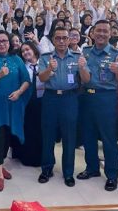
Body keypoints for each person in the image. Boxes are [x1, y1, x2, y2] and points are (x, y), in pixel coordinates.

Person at [77, 20, 118, 191]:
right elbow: (85, 79)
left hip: (106, 99)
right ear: (92, 33)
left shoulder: (117, 54)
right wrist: (82, 68)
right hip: (87, 97)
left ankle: (112, 175)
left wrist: (117, 71)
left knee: (108, 138)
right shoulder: (85, 52)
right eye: (98, 31)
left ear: (110, 33)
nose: (102, 34)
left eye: (105, 31)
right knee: (88, 136)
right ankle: (92, 168)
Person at [38, 27, 90, 187]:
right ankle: (47, 169)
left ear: (69, 40)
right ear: (53, 40)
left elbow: (87, 80)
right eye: (58, 38)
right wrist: (49, 69)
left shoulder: (77, 57)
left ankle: (68, 172)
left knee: (69, 137)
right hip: (50, 98)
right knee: (48, 136)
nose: (61, 41)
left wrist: (82, 67)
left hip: (69, 99)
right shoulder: (46, 57)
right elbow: (41, 77)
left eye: (64, 38)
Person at [0, 30, 30, 192]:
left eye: (5, 41)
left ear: (9, 43)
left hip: (12, 105)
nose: (2, 44)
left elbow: (26, 81)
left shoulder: (16, 60)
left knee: (8, 136)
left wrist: (19, 92)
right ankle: (0, 175)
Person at [13, 41, 43, 167]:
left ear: (34, 49)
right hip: (27, 103)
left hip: (43, 102)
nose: (25, 52)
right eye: (23, 51)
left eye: (28, 49)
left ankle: (42, 157)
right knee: (28, 129)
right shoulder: (22, 67)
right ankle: (27, 157)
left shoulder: (44, 63)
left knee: (41, 130)